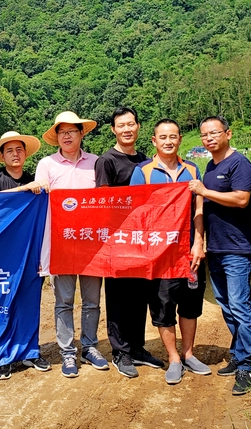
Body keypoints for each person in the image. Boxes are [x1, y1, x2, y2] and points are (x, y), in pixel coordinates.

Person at [129, 119, 211, 384]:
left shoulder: (192, 169)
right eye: (162, 137)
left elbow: (199, 209)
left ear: (180, 139)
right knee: (162, 307)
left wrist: (198, 243)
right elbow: (135, 214)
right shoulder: (143, 172)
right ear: (154, 140)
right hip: (159, 254)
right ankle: (174, 358)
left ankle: (188, 354)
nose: (168, 141)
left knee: (190, 305)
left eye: (173, 137)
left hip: (188, 251)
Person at [35, 111, 109, 378]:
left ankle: (89, 346)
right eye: (62, 132)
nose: (67, 136)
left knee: (92, 300)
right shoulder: (47, 164)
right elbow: (38, 197)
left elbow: (106, 200)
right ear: (56, 137)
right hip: (61, 243)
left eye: (72, 131)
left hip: (91, 243)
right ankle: (67, 351)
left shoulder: (96, 163)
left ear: (81, 134)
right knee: (64, 300)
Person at [188, 115, 251, 395]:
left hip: (237, 248)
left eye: (214, 133)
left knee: (240, 307)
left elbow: (241, 199)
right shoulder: (210, 167)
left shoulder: (239, 164)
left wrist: (204, 191)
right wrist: (200, 240)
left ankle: (248, 366)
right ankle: (240, 354)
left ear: (228, 134)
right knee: (227, 307)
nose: (209, 138)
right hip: (215, 248)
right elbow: (203, 206)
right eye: (204, 135)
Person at [95, 106, 164, 378]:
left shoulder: (146, 161)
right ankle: (120, 351)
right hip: (117, 240)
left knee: (139, 295)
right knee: (118, 297)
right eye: (121, 125)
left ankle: (137, 347)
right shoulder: (107, 161)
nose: (127, 129)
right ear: (113, 129)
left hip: (142, 240)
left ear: (138, 127)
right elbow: (103, 202)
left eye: (131, 124)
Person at [0, 131, 51, 380]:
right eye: (9, 150)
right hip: (0, 252)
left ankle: (30, 351)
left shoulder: (35, 179)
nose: (15, 154)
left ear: (25, 154)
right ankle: (3, 356)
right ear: (2, 156)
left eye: (19, 150)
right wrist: (26, 189)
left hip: (30, 251)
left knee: (29, 303)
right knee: (2, 304)